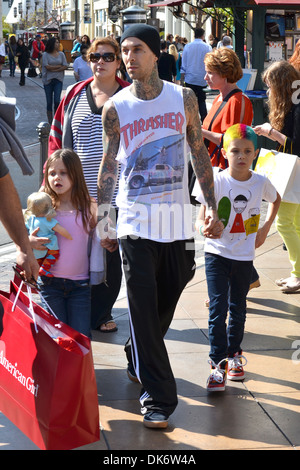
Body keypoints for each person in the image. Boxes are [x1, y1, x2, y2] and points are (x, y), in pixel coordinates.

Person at [97, 23, 221, 429]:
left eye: (136, 50)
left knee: (179, 277)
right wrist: (105, 219)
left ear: (154, 54)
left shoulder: (183, 97)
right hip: (134, 221)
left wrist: (212, 207)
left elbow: (198, 152)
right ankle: (158, 398)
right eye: (124, 51)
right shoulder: (116, 108)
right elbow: (109, 164)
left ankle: (139, 350)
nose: (128, 58)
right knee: (142, 305)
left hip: (176, 219)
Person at [47, 36, 129, 333]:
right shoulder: (73, 94)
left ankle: (102, 312)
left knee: (109, 252)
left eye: (108, 57)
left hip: (116, 193)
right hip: (78, 192)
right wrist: (52, 176)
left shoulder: (128, 96)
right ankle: (77, 306)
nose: (100, 62)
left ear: (118, 61)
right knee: (78, 250)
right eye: (94, 56)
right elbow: (57, 139)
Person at [195, 124, 281, 392]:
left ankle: (234, 357)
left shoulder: (260, 182)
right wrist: (204, 229)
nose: (241, 156)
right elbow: (200, 218)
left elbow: (276, 200)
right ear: (224, 152)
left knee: (238, 307)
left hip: (244, 257)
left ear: (255, 153)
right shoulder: (216, 180)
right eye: (235, 151)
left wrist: (266, 228)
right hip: (216, 255)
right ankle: (217, 363)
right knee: (218, 308)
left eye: (247, 151)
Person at [37, 148, 97, 338]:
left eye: (63, 173)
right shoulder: (43, 207)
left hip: (80, 284)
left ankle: (80, 369)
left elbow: (104, 233)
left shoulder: (89, 206)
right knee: (56, 337)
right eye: (52, 173)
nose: (57, 178)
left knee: (81, 337)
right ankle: (60, 370)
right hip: (49, 283)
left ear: (75, 175)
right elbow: (25, 234)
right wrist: (29, 241)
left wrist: (109, 236)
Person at [253, 60, 300, 293]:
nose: (269, 91)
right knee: (296, 225)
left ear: (282, 85)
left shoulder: (297, 107)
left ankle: (299, 274)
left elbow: (296, 146)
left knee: (284, 223)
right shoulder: (294, 104)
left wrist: (272, 132)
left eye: (271, 86)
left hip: (294, 173)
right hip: (293, 171)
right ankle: (297, 272)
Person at [202, 47, 253, 168]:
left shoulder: (236, 101)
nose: (205, 77)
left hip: (224, 170)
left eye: (210, 73)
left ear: (224, 73)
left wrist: (199, 132)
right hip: (213, 166)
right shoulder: (219, 98)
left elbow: (231, 141)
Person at [24, 192, 72, 276]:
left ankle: (32, 272)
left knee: (38, 259)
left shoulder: (31, 219)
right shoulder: (48, 221)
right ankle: (44, 269)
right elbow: (61, 230)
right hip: (49, 244)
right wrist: (69, 236)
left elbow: (24, 230)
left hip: (35, 247)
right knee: (54, 254)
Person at [180, 27, 212, 121]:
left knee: (189, 102)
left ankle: (190, 121)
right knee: (202, 101)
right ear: (203, 35)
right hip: (202, 79)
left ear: (194, 35)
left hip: (190, 78)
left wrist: (182, 80)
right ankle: (204, 122)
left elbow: (184, 64)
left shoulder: (187, 46)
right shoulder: (207, 47)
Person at [42, 36, 68, 124]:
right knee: (49, 102)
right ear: (52, 44)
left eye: (58, 42)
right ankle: (50, 122)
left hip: (58, 79)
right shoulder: (45, 54)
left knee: (57, 100)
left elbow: (65, 66)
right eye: (56, 42)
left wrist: (54, 69)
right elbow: (47, 66)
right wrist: (59, 67)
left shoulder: (61, 54)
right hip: (48, 80)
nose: (58, 44)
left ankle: (56, 120)